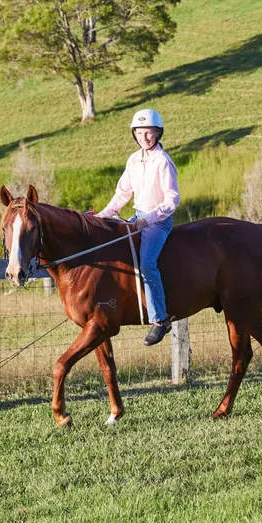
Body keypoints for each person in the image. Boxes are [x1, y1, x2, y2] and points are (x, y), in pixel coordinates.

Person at [95, 108, 179, 346]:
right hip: (137, 217)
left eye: (149, 132)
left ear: (158, 132)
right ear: (134, 134)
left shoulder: (163, 161)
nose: (145, 137)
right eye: (140, 133)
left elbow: (172, 200)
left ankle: (160, 320)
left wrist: (148, 219)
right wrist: (103, 216)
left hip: (158, 222)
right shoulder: (133, 160)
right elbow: (121, 194)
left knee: (147, 264)